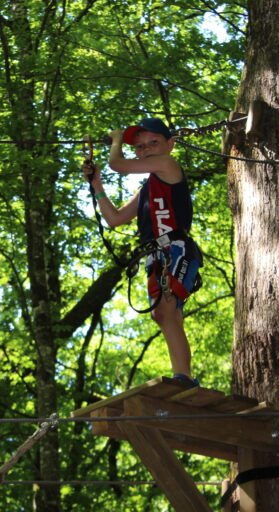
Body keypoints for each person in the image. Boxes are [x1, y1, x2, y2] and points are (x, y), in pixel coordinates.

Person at [82, 118, 202, 386]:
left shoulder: (168, 165)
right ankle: (183, 376)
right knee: (163, 315)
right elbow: (115, 219)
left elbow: (119, 165)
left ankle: (183, 377)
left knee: (167, 309)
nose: (146, 150)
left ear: (170, 145)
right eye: (140, 147)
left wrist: (116, 138)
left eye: (153, 143)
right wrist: (97, 185)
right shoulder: (148, 187)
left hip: (177, 248)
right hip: (158, 255)